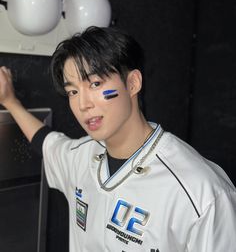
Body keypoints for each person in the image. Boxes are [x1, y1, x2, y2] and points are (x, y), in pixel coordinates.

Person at [0, 26, 236, 252]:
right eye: (73, 91)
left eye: (95, 84)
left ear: (132, 83)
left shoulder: (202, 193)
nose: (83, 104)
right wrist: (10, 101)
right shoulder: (81, 156)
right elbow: (46, 141)